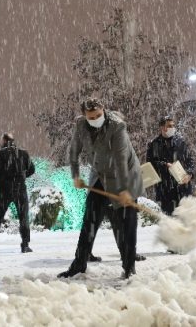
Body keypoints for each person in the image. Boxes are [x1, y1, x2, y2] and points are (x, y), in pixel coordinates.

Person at [58, 98, 142, 279]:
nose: (95, 119)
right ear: (84, 116)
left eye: (98, 115)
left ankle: (129, 267)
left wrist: (124, 190)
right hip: (100, 174)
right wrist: (75, 176)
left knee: (125, 223)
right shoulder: (80, 125)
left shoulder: (117, 126)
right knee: (90, 218)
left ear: (103, 110)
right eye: (91, 117)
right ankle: (79, 264)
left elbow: (120, 159)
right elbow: (73, 151)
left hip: (125, 173)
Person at [0, 133, 35, 255]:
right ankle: (25, 244)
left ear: (4, 141)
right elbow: (32, 169)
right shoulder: (23, 153)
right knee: (23, 217)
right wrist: (21, 177)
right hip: (20, 190)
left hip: (3, 190)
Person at [146, 116, 194, 215]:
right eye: (170, 126)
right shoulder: (154, 145)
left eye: (173, 125)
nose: (173, 128)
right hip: (165, 189)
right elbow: (150, 165)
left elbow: (190, 161)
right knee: (170, 219)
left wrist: (190, 174)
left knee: (186, 217)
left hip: (182, 187)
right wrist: (164, 165)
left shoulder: (180, 142)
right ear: (162, 128)